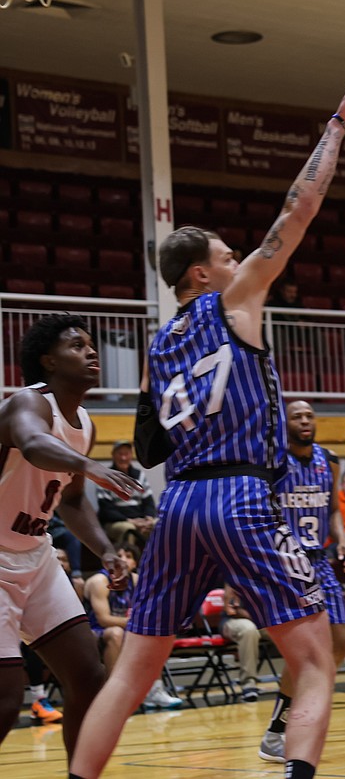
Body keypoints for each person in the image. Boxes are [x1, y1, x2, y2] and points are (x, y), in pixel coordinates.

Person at [70, 69, 345, 779]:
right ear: (204, 276)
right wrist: (334, 130)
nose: (242, 261)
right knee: (314, 660)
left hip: (177, 501)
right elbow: (296, 213)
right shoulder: (233, 304)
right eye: (228, 256)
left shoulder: (158, 345)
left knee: (132, 674)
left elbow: (150, 440)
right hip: (241, 496)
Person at [0, 313, 139, 762]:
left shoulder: (85, 424)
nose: (91, 351)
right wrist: (93, 467)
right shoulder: (28, 403)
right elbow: (34, 444)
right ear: (49, 361)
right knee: (5, 699)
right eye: (77, 346)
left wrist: (107, 550)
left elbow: (74, 502)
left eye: (91, 344)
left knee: (88, 676)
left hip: (35, 558)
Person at [258, 399, 345, 762]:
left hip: (320, 560)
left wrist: (343, 539)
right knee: (308, 652)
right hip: (286, 562)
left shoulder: (328, 460)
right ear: (284, 422)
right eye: (296, 416)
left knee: (341, 645)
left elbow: (333, 510)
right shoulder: (271, 461)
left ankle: (290, 721)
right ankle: (279, 729)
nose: (303, 421)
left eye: (309, 415)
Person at [84, 544, 182, 709]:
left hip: (127, 630)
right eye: (119, 556)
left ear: (134, 564)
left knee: (153, 632)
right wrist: (138, 623)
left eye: (128, 556)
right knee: (116, 633)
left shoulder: (138, 581)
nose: (123, 560)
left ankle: (154, 691)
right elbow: (104, 619)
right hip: (95, 632)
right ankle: (113, 696)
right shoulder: (99, 582)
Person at [95, 439, 157, 547]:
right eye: (120, 454)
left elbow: (149, 502)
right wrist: (131, 522)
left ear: (131, 455)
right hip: (117, 522)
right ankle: (129, 562)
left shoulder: (140, 475)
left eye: (126, 454)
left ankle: (156, 562)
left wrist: (148, 519)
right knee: (129, 529)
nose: (123, 458)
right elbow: (106, 510)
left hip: (141, 519)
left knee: (158, 525)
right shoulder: (105, 477)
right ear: (113, 455)